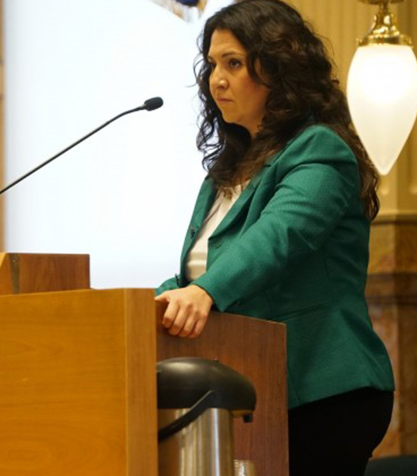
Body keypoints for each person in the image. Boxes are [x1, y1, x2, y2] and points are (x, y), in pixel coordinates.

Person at [154, 1, 395, 474]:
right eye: (212, 65)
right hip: (256, 388)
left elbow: (279, 236)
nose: (215, 79)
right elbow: (198, 270)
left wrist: (204, 292)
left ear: (279, 69)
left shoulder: (321, 148)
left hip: (325, 391)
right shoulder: (224, 174)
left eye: (234, 63)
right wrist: (156, 301)